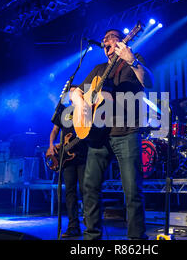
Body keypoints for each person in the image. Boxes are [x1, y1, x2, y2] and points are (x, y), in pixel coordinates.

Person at [71, 28, 154, 240]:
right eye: (104, 41)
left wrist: (132, 60)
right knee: (89, 187)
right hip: (98, 135)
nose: (106, 43)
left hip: (126, 131)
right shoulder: (98, 69)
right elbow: (74, 92)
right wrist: (81, 103)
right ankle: (92, 238)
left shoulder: (132, 59)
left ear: (121, 42)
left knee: (132, 191)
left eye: (111, 39)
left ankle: (136, 241)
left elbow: (149, 82)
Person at [46, 86, 88, 238]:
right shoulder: (64, 110)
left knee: (86, 191)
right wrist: (51, 146)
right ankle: (73, 227)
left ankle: (90, 225)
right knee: (70, 192)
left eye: (74, 90)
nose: (71, 93)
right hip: (67, 159)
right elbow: (54, 131)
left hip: (83, 156)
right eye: (70, 91)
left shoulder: (85, 109)